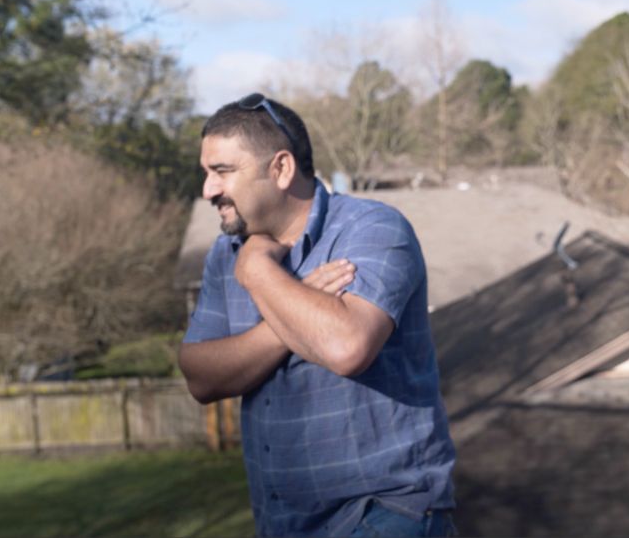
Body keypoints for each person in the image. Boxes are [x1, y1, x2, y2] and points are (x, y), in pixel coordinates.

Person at [178, 93, 456, 537]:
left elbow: (346, 347)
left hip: (381, 514)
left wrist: (256, 271)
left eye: (222, 172)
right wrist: (285, 315)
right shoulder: (225, 252)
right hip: (284, 523)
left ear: (281, 169)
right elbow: (200, 377)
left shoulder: (373, 229)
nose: (208, 189)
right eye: (207, 173)